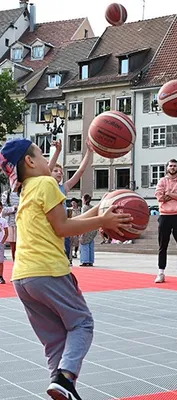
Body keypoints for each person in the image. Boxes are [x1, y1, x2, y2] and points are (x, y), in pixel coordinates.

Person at [0, 138, 132, 400]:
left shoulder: (27, 190)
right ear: (30, 161)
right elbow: (64, 230)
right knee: (82, 323)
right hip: (48, 270)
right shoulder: (47, 183)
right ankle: (67, 377)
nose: (47, 160)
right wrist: (104, 220)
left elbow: (62, 223)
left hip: (23, 278)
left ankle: (61, 387)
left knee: (54, 339)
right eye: (41, 154)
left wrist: (99, 210)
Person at [49, 139, 94, 263]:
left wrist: (89, 152)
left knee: (65, 259)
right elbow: (47, 170)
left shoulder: (63, 187)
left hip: (64, 226)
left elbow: (80, 172)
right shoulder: (46, 186)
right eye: (56, 171)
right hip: (50, 227)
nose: (60, 173)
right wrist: (58, 151)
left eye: (61, 171)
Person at [154, 159, 177, 283]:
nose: (172, 168)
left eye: (175, 166)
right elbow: (160, 197)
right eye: (170, 166)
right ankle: (161, 272)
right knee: (162, 245)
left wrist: (169, 193)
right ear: (167, 167)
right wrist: (175, 195)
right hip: (164, 215)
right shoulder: (162, 181)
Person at [79, 194, 97, 267]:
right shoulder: (92, 207)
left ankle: (85, 260)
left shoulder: (84, 208)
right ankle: (90, 260)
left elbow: (83, 218)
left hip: (86, 227)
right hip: (93, 227)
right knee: (90, 245)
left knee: (84, 244)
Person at [1, 188, 19, 260]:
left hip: (22, 223)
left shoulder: (24, 192)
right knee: (13, 245)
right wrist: (13, 208)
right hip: (10, 223)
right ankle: (14, 262)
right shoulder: (6, 194)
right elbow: (2, 209)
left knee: (21, 245)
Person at [0, 203, 9, 284]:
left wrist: (2, 242)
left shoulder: (3, 221)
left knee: (0, 261)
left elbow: (6, 233)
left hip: (0, 243)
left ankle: (1, 276)